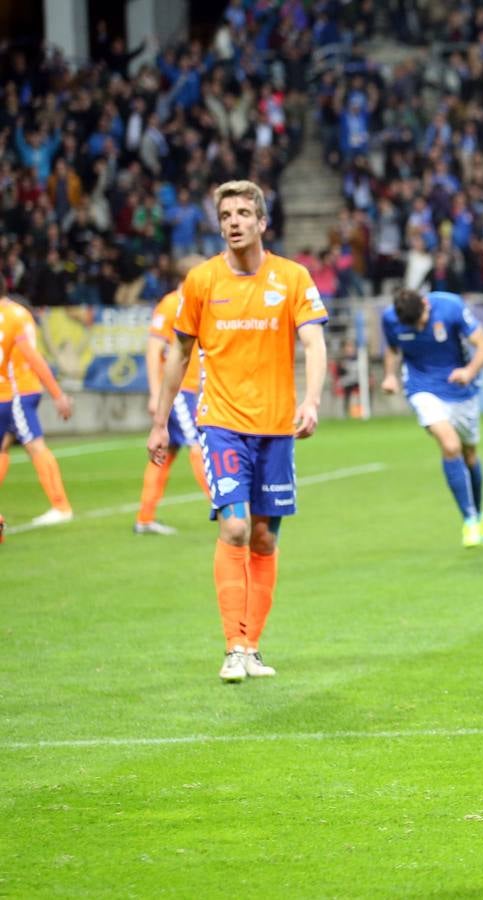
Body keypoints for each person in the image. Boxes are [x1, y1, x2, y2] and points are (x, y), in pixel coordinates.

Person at [147, 180, 328, 684]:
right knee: (234, 527)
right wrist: (160, 422)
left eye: (244, 212)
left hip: (276, 428)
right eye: (226, 213)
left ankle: (251, 646)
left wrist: (311, 400)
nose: (234, 221)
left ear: (262, 222)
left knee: (265, 539)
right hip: (221, 424)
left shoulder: (292, 278)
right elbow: (177, 354)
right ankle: (232, 648)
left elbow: (314, 343)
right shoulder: (201, 281)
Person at [381, 288, 483, 548]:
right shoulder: (391, 318)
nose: (420, 326)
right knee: (450, 445)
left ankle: (478, 515)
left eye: (422, 320)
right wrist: (389, 374)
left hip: (461, 389)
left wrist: (469, 371)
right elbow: (391, 349)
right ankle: (468, 521)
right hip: (422, 389)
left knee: (469, 455)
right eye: (414, 325)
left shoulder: (450, 306)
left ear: (426, 304)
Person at [135, 261, 212, 534]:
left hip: (191, 388)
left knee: (164, 455)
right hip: (178, 391)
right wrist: (156, 395)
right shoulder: (170, 305)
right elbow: (153, 350)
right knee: (198, 448)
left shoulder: (198, 303)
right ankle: (224, 509)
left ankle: (145, 517)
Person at [0, 296, 75, 526]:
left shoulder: (10, 316)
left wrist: (57, 394)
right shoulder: (19, 313)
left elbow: (32, 356)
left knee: (34, 445)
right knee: (2, 446)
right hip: (15, 391)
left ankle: (61, 506)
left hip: (16, 392)